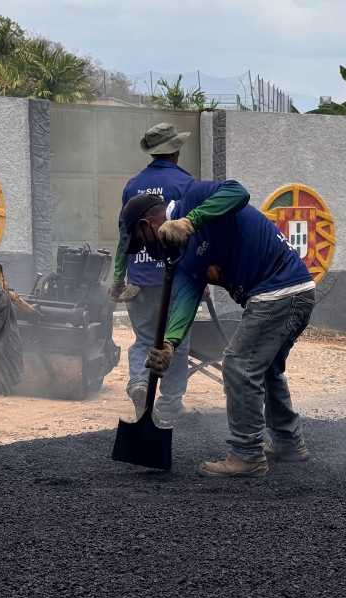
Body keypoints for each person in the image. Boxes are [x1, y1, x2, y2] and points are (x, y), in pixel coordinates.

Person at [120, 179, 316, 478]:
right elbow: (185, 301)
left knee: (238, 365)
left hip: (281, 290)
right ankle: (288, 443)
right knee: (265, 369)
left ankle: (247, 454)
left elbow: (238, 192)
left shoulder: (194, 199)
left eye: (142, 241)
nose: (146, 249)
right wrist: (170, 344)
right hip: (286, 294)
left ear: (148, 225)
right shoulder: (183, 257)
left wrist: (190, 220)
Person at [109, 123, 194, 421]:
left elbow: (124, 236)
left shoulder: (133, 185)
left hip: (140, 279)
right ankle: (170, 403)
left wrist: (118, 278)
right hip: (176, 281)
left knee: (144, 339)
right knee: (176, 343)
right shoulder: (185, 183)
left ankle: (139, 383)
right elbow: (193, 233)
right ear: (176, 150)